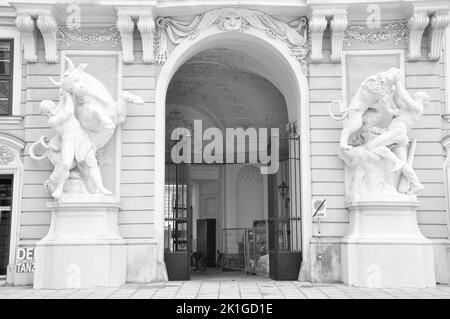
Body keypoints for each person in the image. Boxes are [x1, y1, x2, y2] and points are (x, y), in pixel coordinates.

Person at [40, 91, 111, 199]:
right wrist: (67, 95)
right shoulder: (52, 120)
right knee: (66, 163)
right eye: (47, 111)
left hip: (81, 137)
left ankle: (100, 187)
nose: (51, 111)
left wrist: (66, 92)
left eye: (51, 107)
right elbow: (68, 112)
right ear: (46, 114)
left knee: (92, 162)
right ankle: (59, 188)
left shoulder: (61, 108)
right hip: (68, 140)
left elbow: (68, 107)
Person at [366, 77, 430, 194]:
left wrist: (398, 81)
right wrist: (395, 88)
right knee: (404, 164)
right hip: (400, 136)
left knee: (372, 146)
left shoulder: (417, 108)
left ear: (424, 101)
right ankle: (416, 184)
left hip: (397, 132)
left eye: (419, 98)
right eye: (415, 97)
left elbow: (405, 97)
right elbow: (398, 99)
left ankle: (396, 161)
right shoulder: (407, 109)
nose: (416, 99)